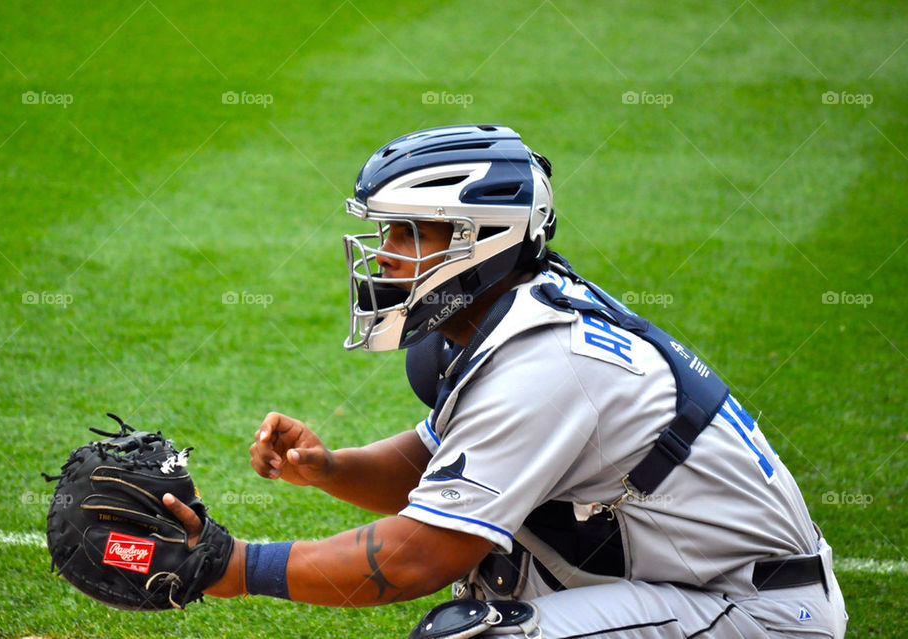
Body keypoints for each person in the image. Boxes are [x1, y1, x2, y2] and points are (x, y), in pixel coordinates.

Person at [164, 124, 848, 638]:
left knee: (483, 626)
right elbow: (438, 466)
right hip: (699, 579)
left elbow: (416, 557)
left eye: (409, 232)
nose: (386, 257)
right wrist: (331, 467)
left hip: (761, 612)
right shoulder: (513, 314)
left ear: (481, 238)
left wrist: (240, 565)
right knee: (500, 567)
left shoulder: (545, 366)